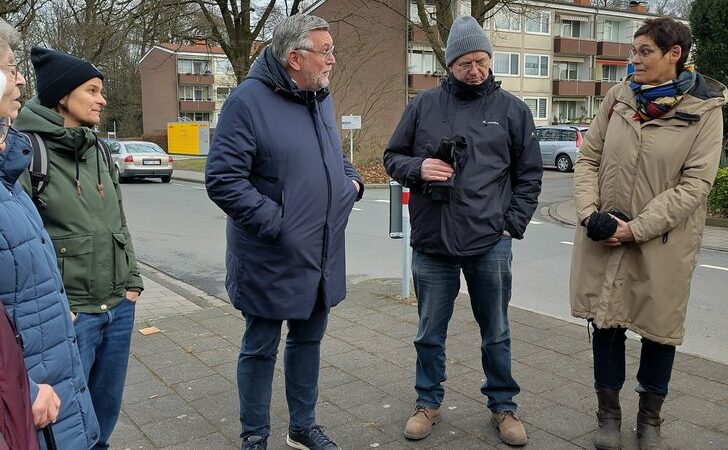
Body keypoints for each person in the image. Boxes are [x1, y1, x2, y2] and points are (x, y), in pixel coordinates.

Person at [384, 15, 542, 448]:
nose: (475, 71)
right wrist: (418, 167)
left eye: (482, 61)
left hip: (490, 242)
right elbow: (392, 156)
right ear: (449, 64)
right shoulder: (423, 106)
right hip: (433, 241)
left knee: (497, 330)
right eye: (465, 63)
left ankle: (504, 406)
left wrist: (511, 225)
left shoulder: (512, 110)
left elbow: (529, 177)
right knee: (429, 332)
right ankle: (427, 402)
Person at [206, 14, 363, 450]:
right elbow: (223, 180)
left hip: (321, 251)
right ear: (295, 58)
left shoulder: (321, 98)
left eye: (332, 49)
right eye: (325, 50)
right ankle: (254, 435)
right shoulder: (246, 102)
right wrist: (279, 223)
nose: (332, 59)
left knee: (309, 338)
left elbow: (334, 156)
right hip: (268, 254)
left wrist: (352, 184)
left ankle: (302, 426)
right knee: (260, 345)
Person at [570, 17, 727, 450]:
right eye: (633, 51)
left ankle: (650, 421)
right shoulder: (618, 98)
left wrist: (635, 229)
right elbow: (588, 161)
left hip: (662, 243)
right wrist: (589, 215)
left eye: (643, 51)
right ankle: (607, 416)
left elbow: (696, 185)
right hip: (603, 235)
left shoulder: (704, 111)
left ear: (673, 54)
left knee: (659, 331)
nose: (633, 60)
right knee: (606, 324)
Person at [15, 47, 144, 450]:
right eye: (92, 90)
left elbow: (119, 223)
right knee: (67, 420)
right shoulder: (25, 152)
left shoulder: (100, 149)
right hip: (71, 314)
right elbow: (19, 244)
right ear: (62, 96)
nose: (102, 99)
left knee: (105, 410)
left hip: (117, 305)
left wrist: (132, 283)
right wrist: (57, 306)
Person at [0, 21, 99, 450]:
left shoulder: (7, 173)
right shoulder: (28, 158)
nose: (21, 77)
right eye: (9, 66)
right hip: (29, 402)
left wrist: (129, 284)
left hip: (54, 386)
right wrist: (19, 389)